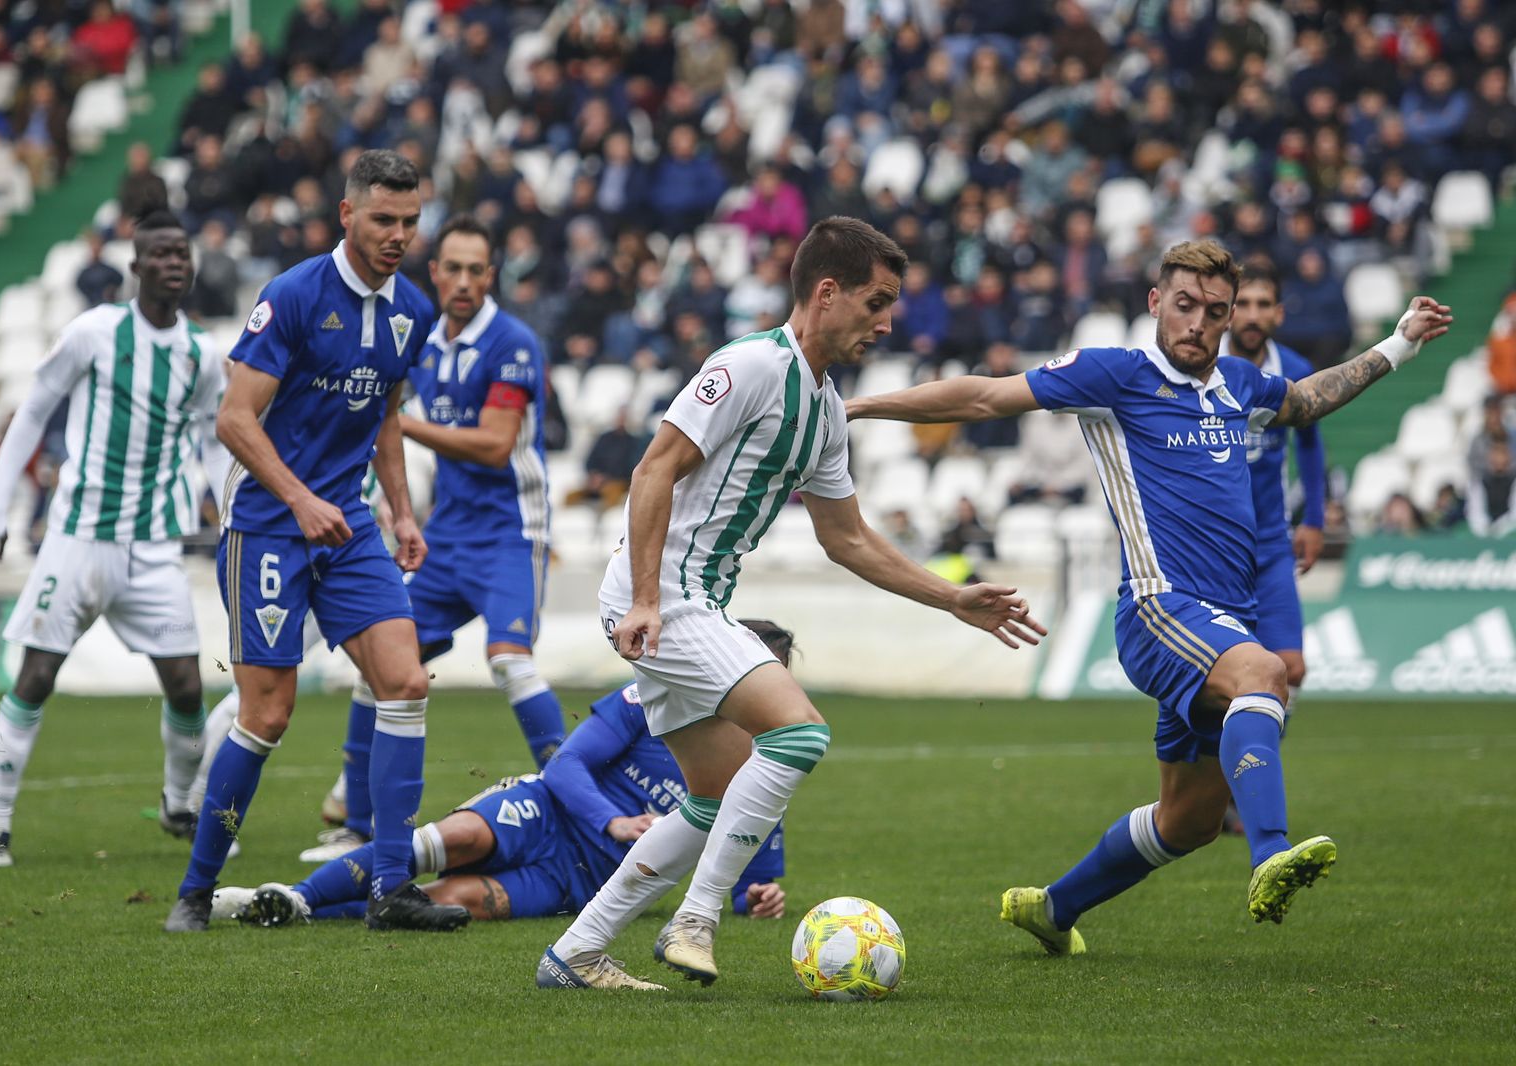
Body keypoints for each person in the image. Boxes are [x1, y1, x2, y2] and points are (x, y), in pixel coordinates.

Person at [845, 239, 1451, 951]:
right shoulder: (1116, 374)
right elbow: (983, 395)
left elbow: (1308, 399)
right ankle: (1270, 855)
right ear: (1157, 303)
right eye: (1185, 305)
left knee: (1188, 821)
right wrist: (858, 405)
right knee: (1266, 674)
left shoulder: (1239, 384)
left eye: (1215, 312)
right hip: (1159, 609)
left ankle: (1054, 909)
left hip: (1222, 622)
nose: (1198, 322)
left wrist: (1399, 344)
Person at [537, 216, 1045, 992]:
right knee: (799, 733)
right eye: (876, 302)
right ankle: (695, 919)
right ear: (827, 292)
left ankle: (577, 953)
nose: (887, 322)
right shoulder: (747, 366)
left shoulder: (828, 411)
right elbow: (652, 471)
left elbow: (849, 539)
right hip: (664, 596)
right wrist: (645, 599)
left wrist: (951, 598)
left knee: (713, 796)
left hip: (695, 600)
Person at [164, 150, 459, 934]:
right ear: (347, 215)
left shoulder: (413, 310)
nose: (399, 236)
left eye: (410, 221)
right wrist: (299, 500)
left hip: (348, 524)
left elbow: (385, 417)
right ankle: (195, 890)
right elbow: (234, 420)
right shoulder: (294, 295)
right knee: (268, 713)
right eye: (384, 219)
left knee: (406, 681)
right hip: (268, 522)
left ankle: (390, 888)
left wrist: (402, 513)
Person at [215, 621, 799, 929]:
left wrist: (759, 898)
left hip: (581, 882)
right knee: (458, 839)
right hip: (547, 812)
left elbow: (746, 881)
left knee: (457, 899)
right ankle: (296, 896)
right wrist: (614, 822)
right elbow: (565, 764)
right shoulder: (651, 698)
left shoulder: (765, 768)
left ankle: (290, 910)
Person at [301, 214, 566, 864]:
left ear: (491, 275)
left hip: (510, 532)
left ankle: (575, 805)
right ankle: (355, 824)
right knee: (383, 663)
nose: (465, 281)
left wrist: (397, 421)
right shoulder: (419, 339)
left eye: (477, 270)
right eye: (454, 269)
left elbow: (495, 444)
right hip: (447, 534)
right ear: (436, 273)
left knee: (509, 660)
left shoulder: (513, 342)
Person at [0, 211, 227, 867]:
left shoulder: (202, 353)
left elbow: (211, 439)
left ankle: (178, 804)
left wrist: (230, 509)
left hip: (155, 548)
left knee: (187, 687)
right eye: (160, 253)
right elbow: (32, 412)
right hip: (78, 539)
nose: (174, 262)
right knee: (36, 676)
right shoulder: (95, 332)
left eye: (181, 253)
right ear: (136, 267)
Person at [1220, 266, 1326, 719]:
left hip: (1269, 542)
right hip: (1214, 549)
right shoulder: (1204, 369)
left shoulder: (1295, 372)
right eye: (1242, 304)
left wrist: (1314, 520)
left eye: (1262, 305)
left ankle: (1259, 750)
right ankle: (1221, 758)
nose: (1252, 315)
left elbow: (1311, 446)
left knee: (1291, 668)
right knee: (1218, 674)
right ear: (1227, 312)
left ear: (1278, 314)